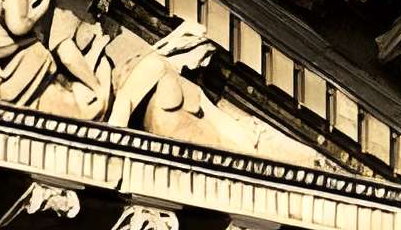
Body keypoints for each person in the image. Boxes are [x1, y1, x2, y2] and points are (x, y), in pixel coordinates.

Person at [110, 20, 318, 164]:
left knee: (266, 143)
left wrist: (246, 142)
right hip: (184, 155)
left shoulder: (191, 87)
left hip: (213, 151)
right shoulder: (156, 64)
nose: (202, 63)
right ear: (189, 44)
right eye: (204, 54)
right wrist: (110, 151)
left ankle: (312, 158)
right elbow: (125, 100)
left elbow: (218, 120)